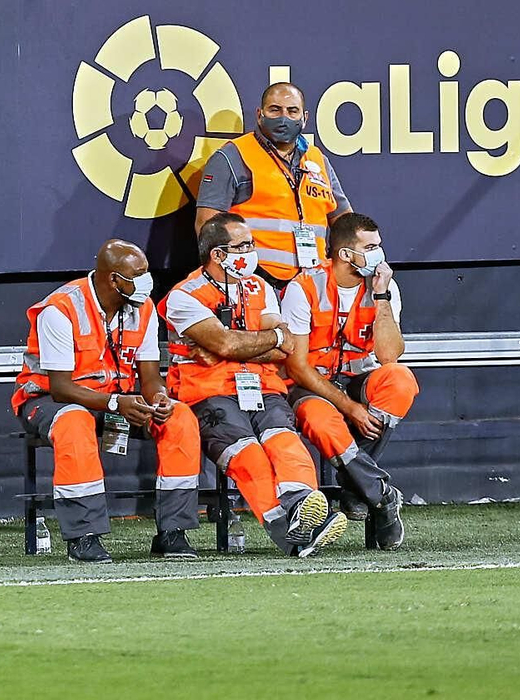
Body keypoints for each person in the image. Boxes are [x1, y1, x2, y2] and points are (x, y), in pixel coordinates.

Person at [161, 213, 346, 557]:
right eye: (243, 245)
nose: (251, 250)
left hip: (263, 386)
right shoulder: (184, 295)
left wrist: (234, 346)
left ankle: (304, 507)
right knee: (249, 455)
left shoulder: (259, 286)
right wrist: (252, 341)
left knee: (284, 440)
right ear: (217, 255)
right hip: (207, 392)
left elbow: (285, 343)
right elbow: (230, 343)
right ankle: (291, 533)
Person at [12, 239, 204, 563]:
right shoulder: (60, 309)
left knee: (179, 417)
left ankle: (173, 532)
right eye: (139, 273)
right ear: (114, 280)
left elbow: (150, 376)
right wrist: (117, 404)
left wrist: (158, 398)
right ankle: (83, 537)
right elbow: (60, 388)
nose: (147, 280)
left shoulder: (143, 309)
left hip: (116, 400)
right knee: (75, 420)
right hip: (47, 401)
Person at [281, 212, 417, 549]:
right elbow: (297, 367)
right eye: (370, 247)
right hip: (313, 383)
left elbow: (388, 356)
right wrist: (350, 408)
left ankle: (356, 486)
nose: (379, 254)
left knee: (400, 380)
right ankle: (382, 496)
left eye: (379, 246)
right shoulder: (304, 287)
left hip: (358, 377)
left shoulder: (384, 286)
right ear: (345, 254)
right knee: (319, 419)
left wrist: (382, 296)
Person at [194, 82, 351, 292]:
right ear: (260, 114)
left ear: (304, 118)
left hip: (314, 285)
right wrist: (233, 280)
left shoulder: (318, 159)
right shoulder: (232, 156)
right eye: (274, 109)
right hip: (254, 285)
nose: (283, 118)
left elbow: (345, 222)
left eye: (292, 111)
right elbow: (207, 226)